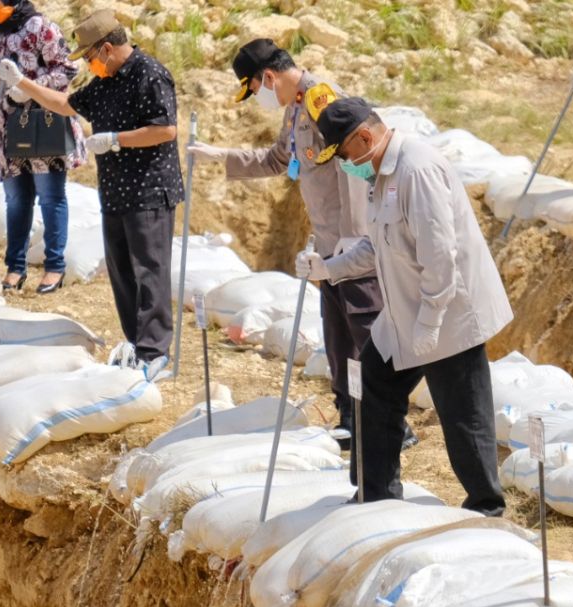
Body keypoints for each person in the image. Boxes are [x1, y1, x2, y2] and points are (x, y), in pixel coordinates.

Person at [186, 39, 414, 450]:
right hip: (328, 246)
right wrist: (220, 156)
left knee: (367, 335)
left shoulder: (323, 102)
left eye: (255, 90)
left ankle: (393, 423)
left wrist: (353, 246)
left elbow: (352, 172)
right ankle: (351, 414)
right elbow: (279, 159)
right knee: (338, 336)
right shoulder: (295, 107)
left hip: (349, 248)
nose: (259, 99)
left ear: (269, 77)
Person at [309, 98, 514, 516]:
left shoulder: (417, 171)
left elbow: (442, 258)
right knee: (371, 385)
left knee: (463, 416)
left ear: (366, 137)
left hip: (450, 313)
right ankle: (375, 494)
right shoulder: (380, 174)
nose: (346, 166)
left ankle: (486, 508)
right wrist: (328, 269)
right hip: (405, 312)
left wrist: (430, 323)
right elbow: (375, 245)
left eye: (346, 156)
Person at [0, 9, 183, 378]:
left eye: (92, 57)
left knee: (150, 270)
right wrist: (24, 84)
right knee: (122, 271)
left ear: (109, 49)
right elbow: (67, 104)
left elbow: (166, 130)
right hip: (115, 190)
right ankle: (136, 344)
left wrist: (117, 141)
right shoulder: (108, 80)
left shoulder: (150, 74)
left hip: (148, 188)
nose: (91, 65)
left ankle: (155, 352)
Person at [0, 0, 85, 294]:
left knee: (50, 196)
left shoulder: (41, 28)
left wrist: (28, 85)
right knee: (16, 199)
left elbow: (68, 69)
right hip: (10, 126)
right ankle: (15, 267)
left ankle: (54, 267)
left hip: (43, 122)